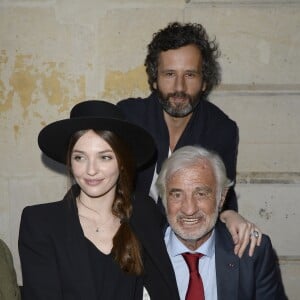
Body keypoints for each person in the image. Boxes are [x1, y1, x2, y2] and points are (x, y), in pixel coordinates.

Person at [117, 21, 261, 256]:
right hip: (125, 243)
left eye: (190, 75)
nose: (179, 88)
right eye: (169, 74)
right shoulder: (127, 117)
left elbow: (222, 195)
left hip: (184, 246)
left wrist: (231, 215)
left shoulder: (221, 129)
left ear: (205, 81)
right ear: (154, 79)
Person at [18, 100, 180, 300]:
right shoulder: (41, 223)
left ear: (122, 162)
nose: (91, 170)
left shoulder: (144, 212)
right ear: (69, 161)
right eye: (80, 157)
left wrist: (226, 215)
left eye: (104, 157)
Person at [156, 145, 287, 300]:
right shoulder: (140, 251)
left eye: (201, 194)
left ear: (221, 197)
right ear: (164, 199)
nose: (189, 209)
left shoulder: (252, 254)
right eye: (177, 195)